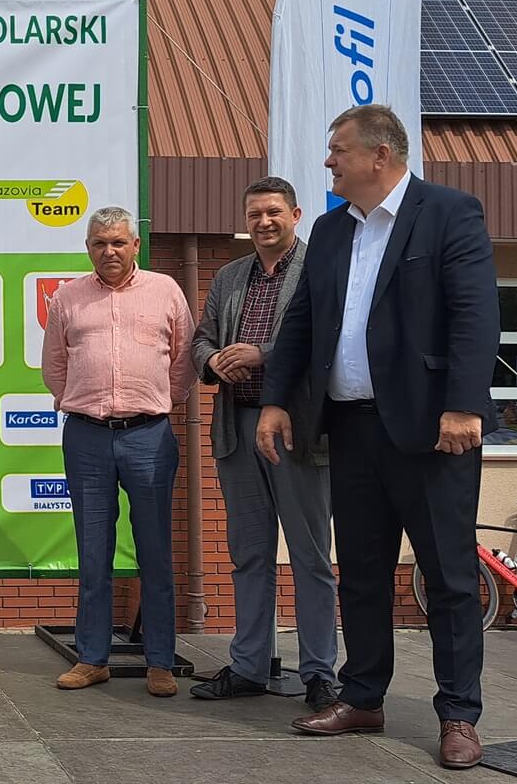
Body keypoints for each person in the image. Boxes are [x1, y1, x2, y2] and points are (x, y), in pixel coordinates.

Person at [258, 103, 499, 770]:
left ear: (379, 156)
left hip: (432, 432)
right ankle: (362, 695)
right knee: (362, 573)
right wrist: (275, 399)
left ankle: (459, 713)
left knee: (449, 576)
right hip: (352, 427)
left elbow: (475, 314)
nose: (328, 161)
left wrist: (463, 405)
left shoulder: (449, 213)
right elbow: (302, 321)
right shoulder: (332, 229)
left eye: (338, 150)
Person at [189, 176, 338, 712]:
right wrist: (213, 359)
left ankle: (319, 673)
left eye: (273, 212)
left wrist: (261, 354)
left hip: (297, 431)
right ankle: (250, 666)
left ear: (295, 215)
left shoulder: (321, 267)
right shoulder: (230, 276)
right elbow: (201, 337)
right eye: (254, 214)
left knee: (309, 557)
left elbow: (327, 338)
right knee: (249, 555)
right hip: (238, 429)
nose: (263, 222)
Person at [41, 205, 192, 699]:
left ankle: (161, 662)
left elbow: (183, 361)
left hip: (149, 435)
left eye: (118, 242)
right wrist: (79, 401)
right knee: (93, 551)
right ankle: (92, 658)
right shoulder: (67, 297)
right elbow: (54, 365)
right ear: (88, 248)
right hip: (86, 436)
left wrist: (160, 402)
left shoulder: (165, 291)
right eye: (100, 243)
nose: (109, 251)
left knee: (155, 550)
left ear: (135, 245)